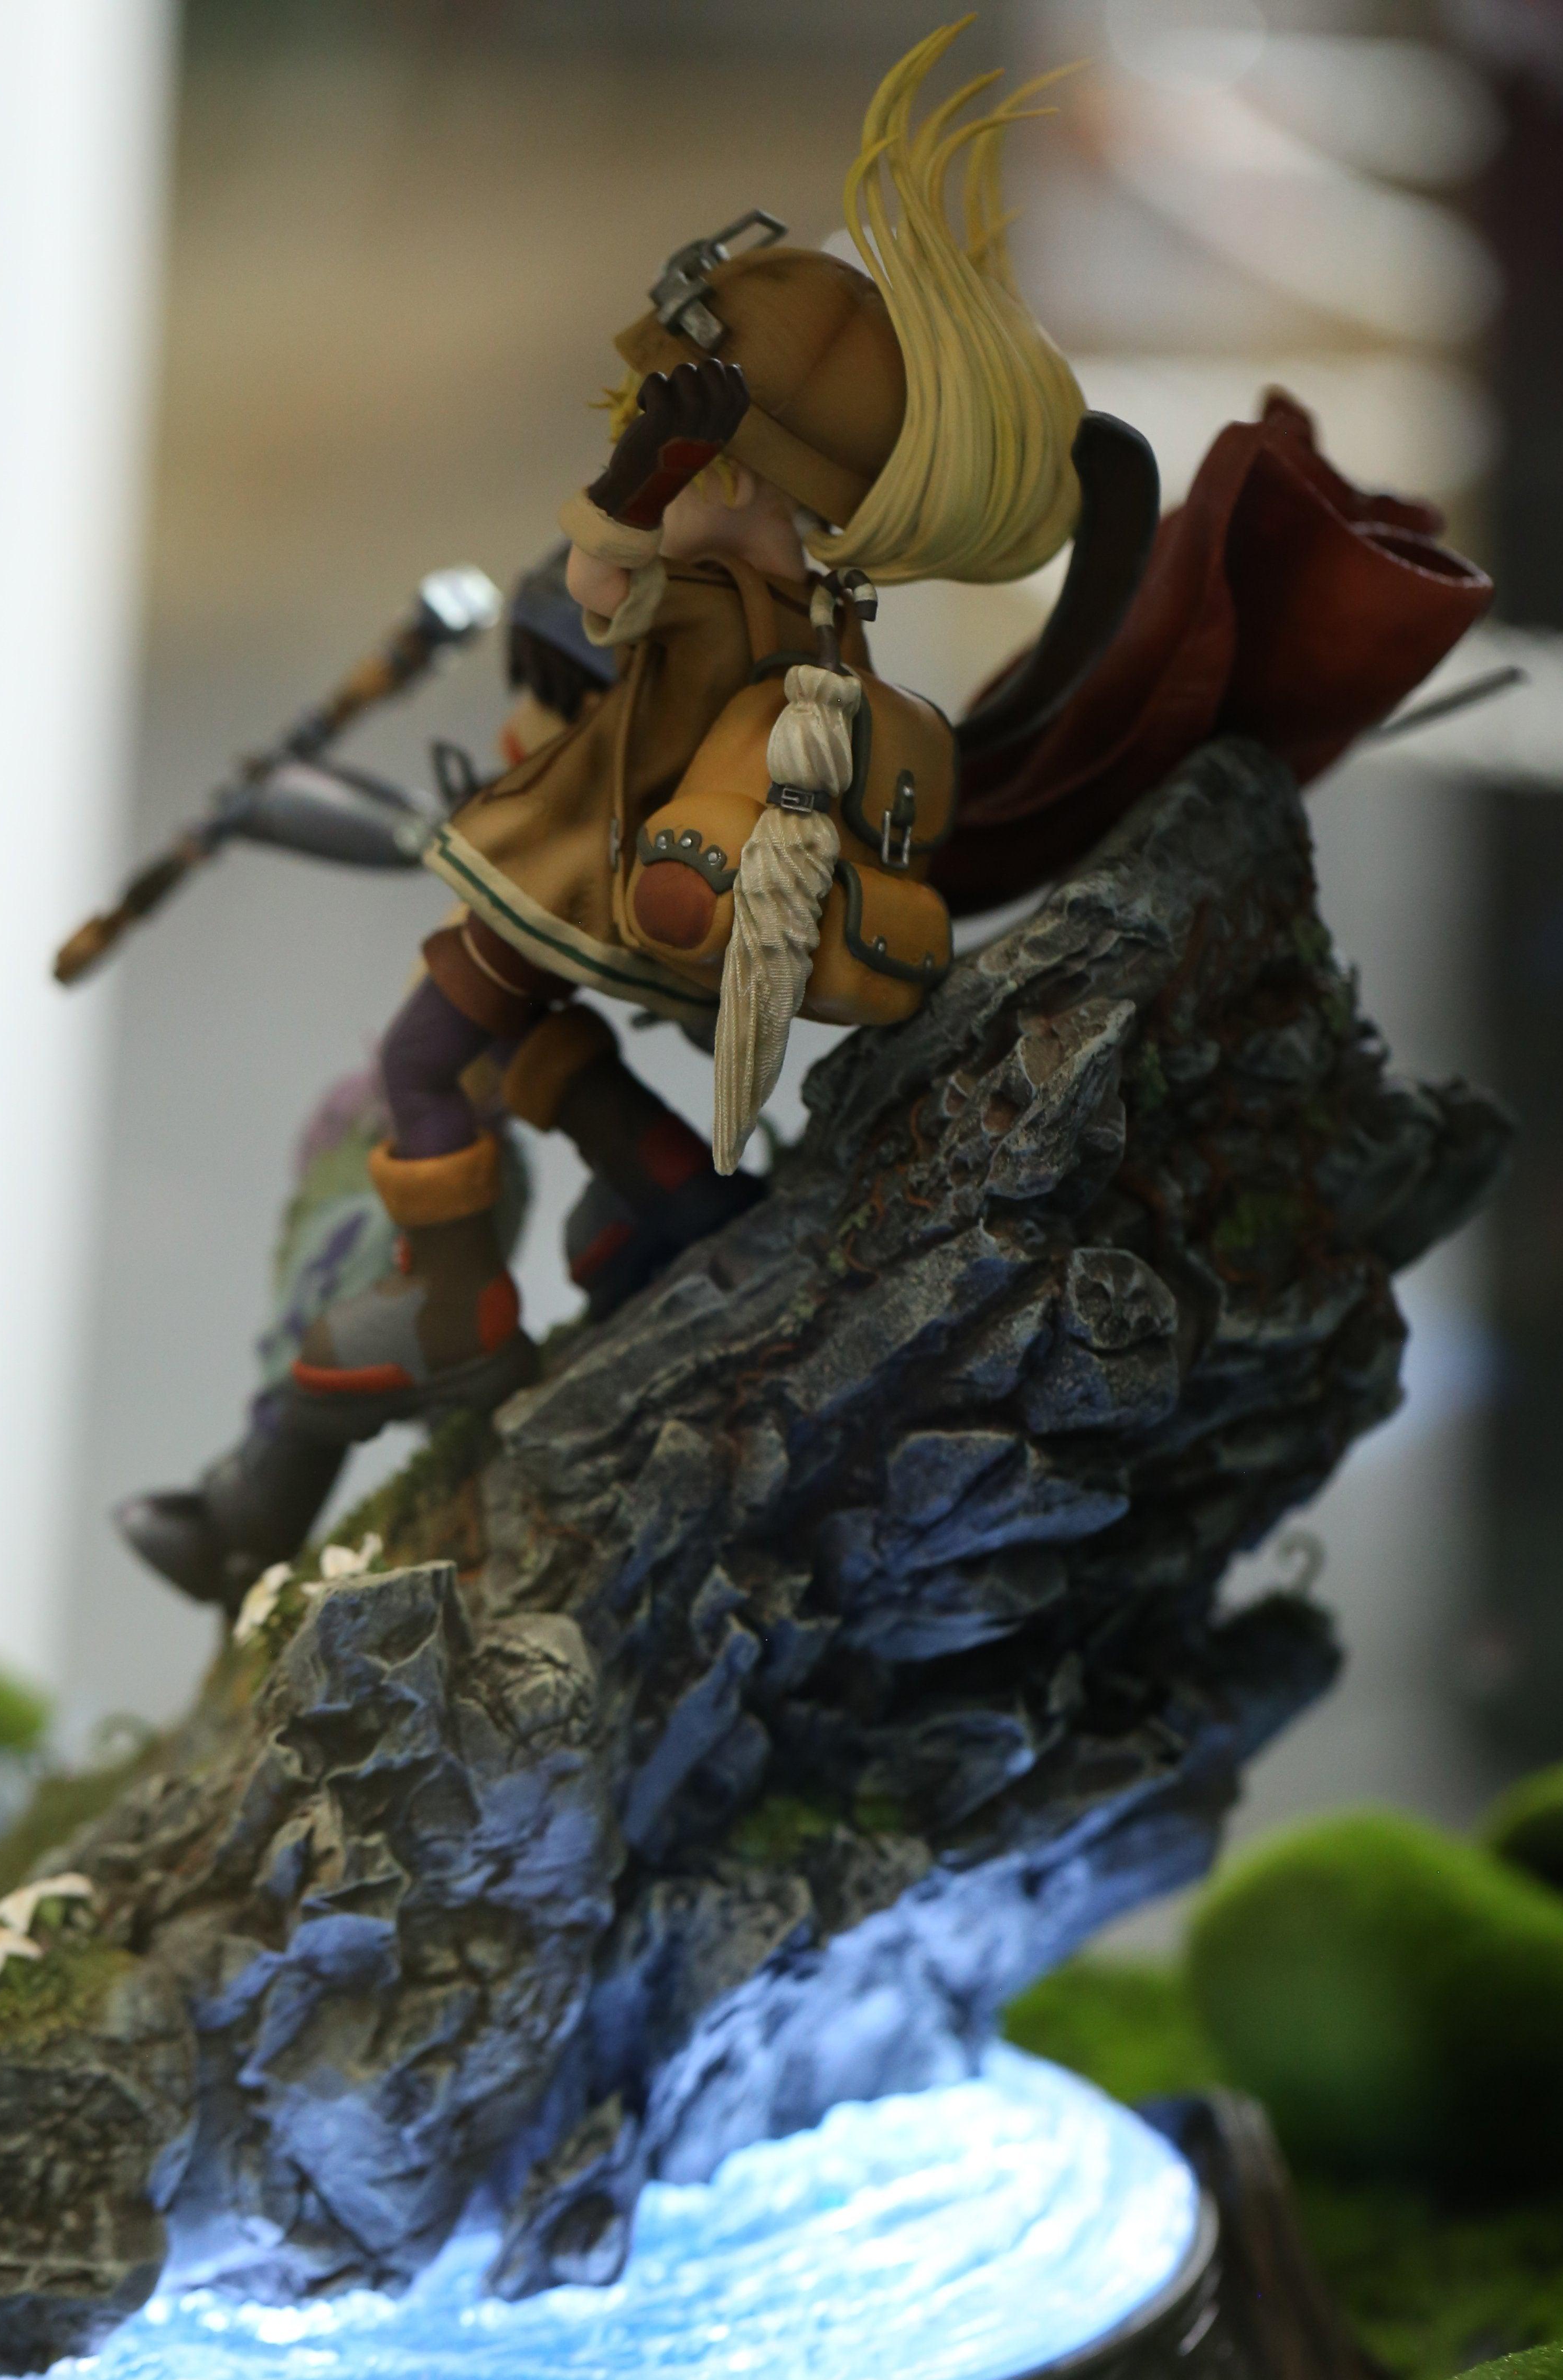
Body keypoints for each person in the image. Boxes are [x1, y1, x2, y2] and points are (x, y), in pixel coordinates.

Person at [119, 21, 1090, 1610]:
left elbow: (594, 591)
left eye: (688, 443)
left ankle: (453, 1315)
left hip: (622, 879)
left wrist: (647, 469)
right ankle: (670, 1203)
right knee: (511, 1057)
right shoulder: (791, 626)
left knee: (432, 1053)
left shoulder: (735, 616)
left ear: (756, 482)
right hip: (600, 881)